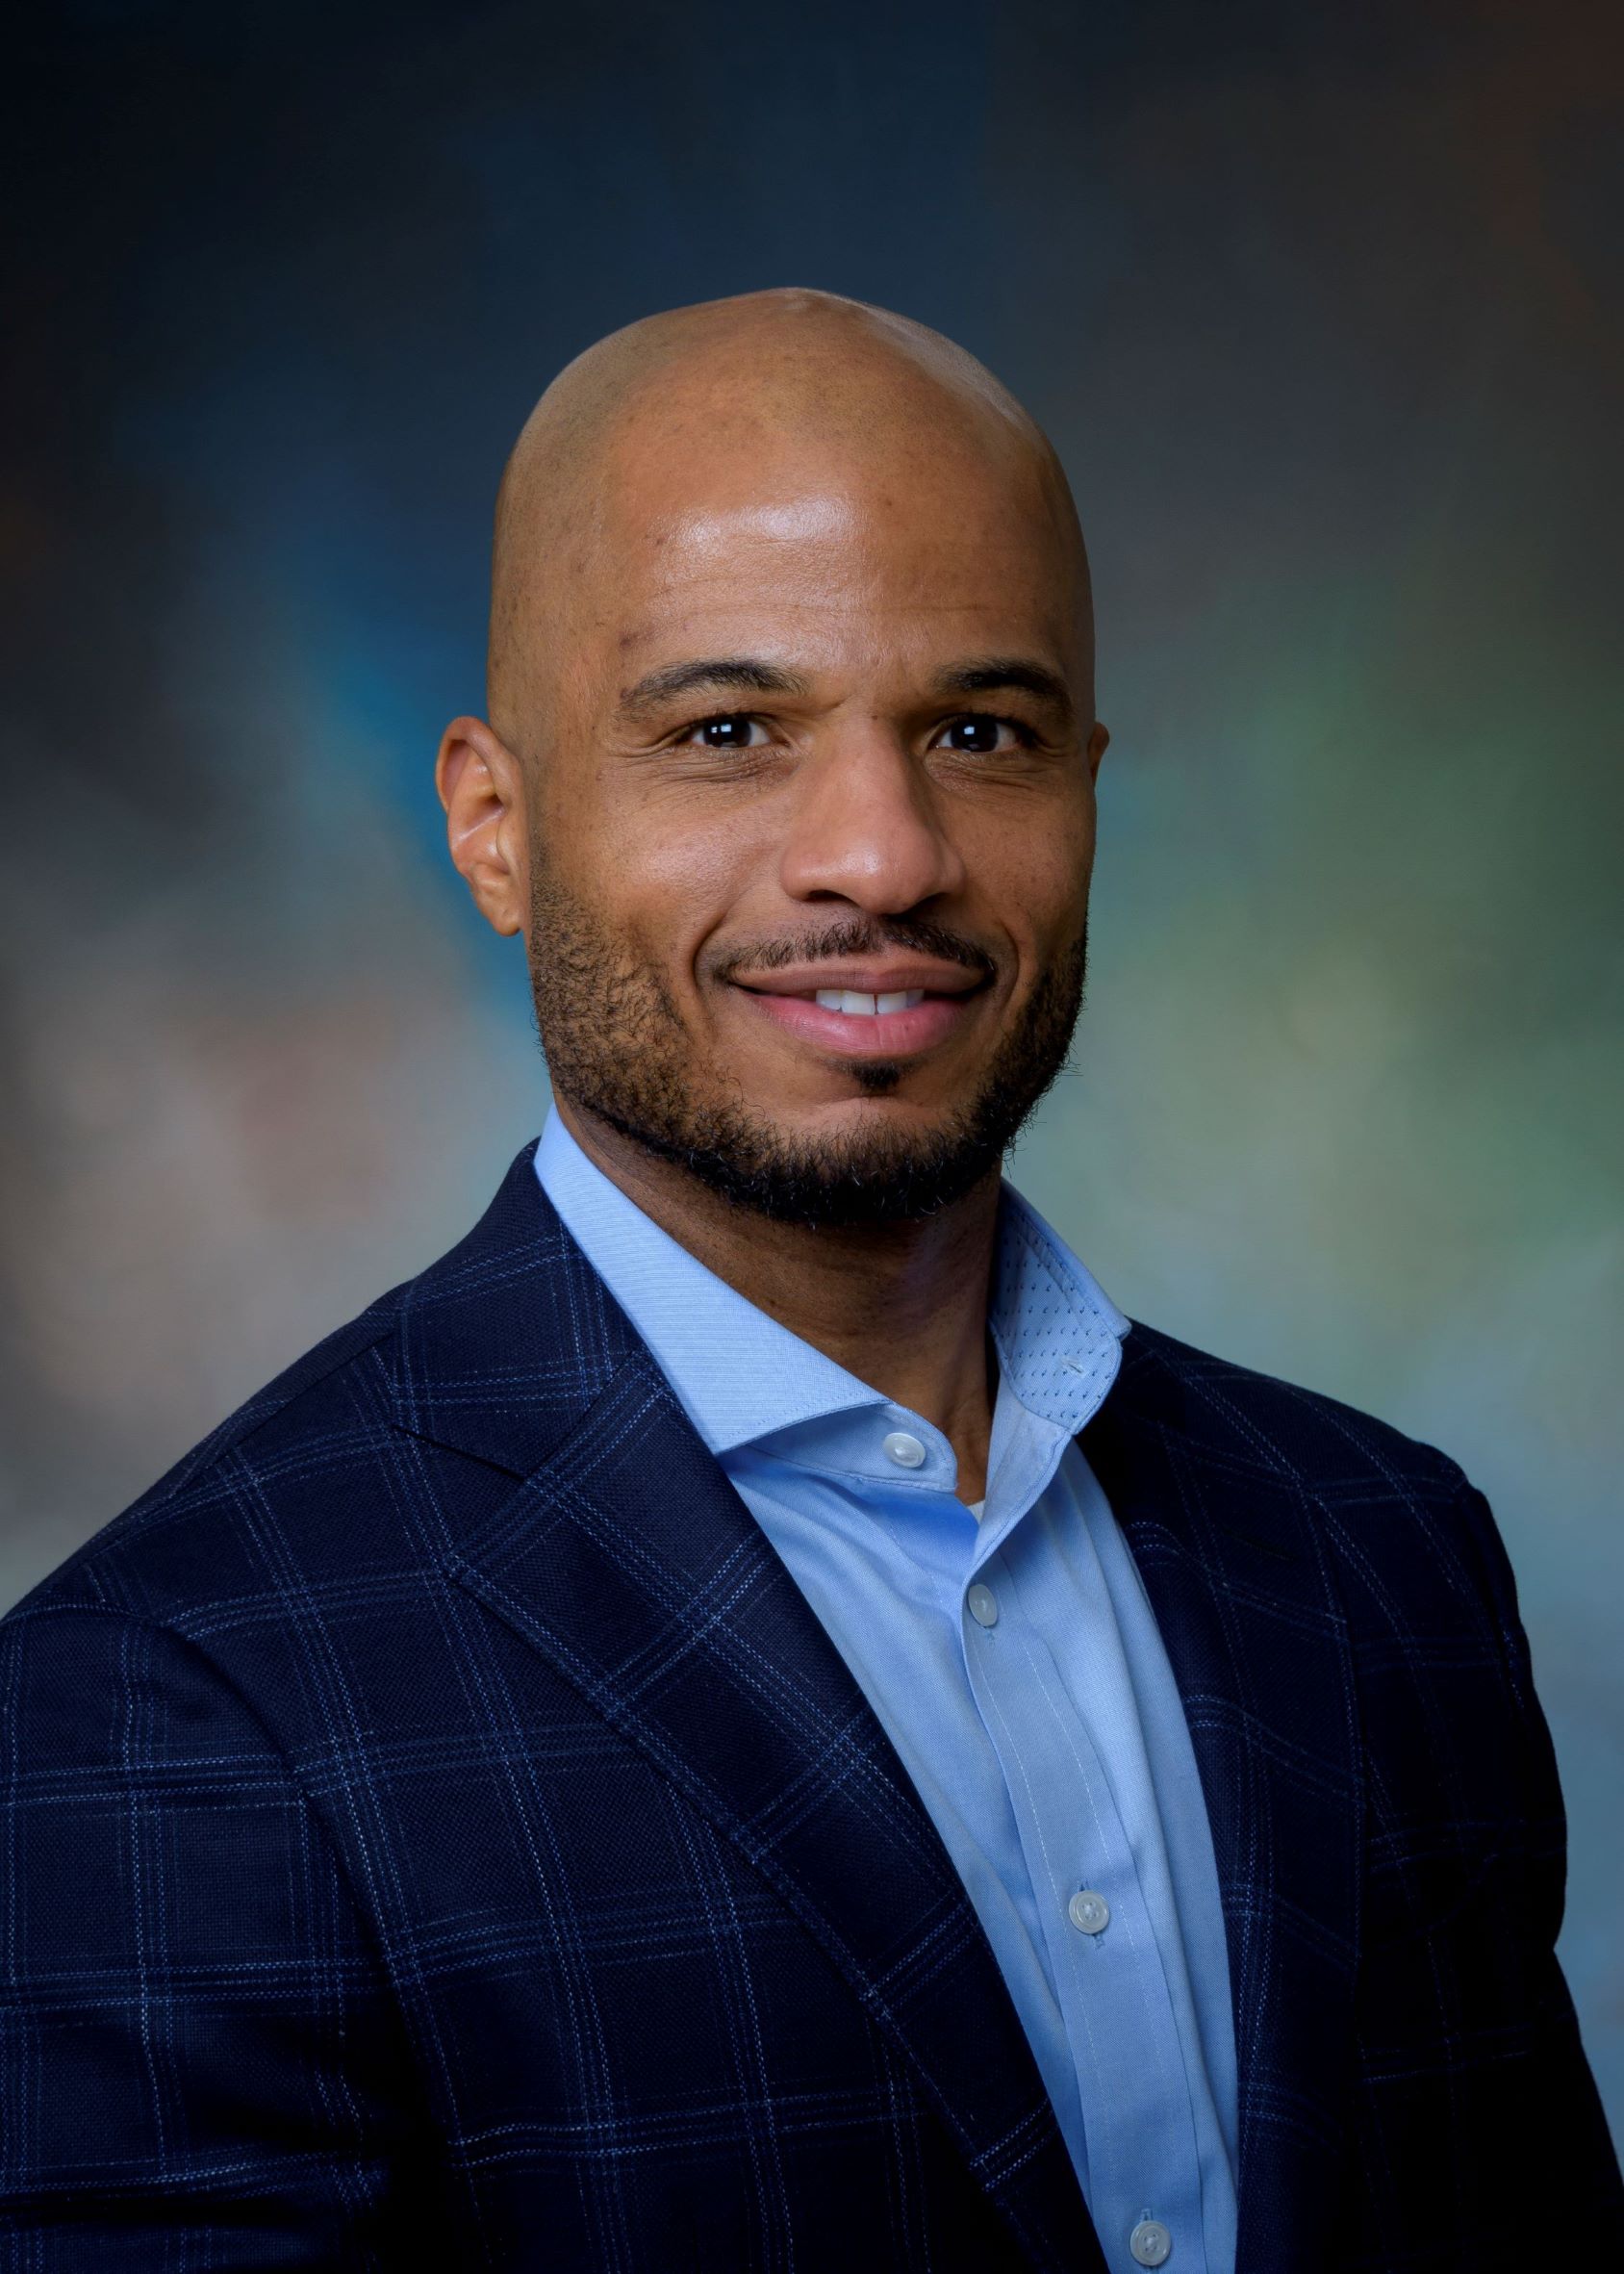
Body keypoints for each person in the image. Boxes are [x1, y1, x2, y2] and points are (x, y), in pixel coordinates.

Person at [0, 289, 1616, 2274]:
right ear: (493, 826)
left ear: (1089, 784)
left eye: (976, 730)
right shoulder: (172, 1710)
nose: (881, 852)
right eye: (726, 732)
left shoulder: (1383, 1558)